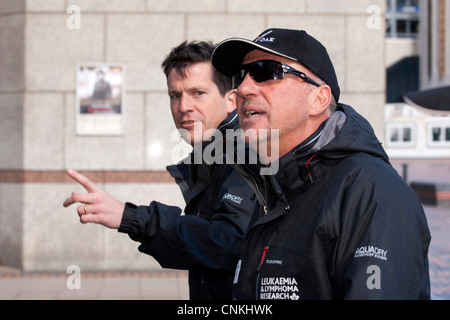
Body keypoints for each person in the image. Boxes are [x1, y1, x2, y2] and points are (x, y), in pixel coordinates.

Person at [211, 28, 431, 300]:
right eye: (240, 75)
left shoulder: (372, 191)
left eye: (267, 71)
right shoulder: (273, 188)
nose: (243, 88)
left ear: (319, 99)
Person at [63, 41, 258, 300]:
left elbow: (227, 244)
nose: (183, 106)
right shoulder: (211, 153)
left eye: (198, 93)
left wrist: (129, 216)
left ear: (231, 100)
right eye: (175, 95)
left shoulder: (246, 153)